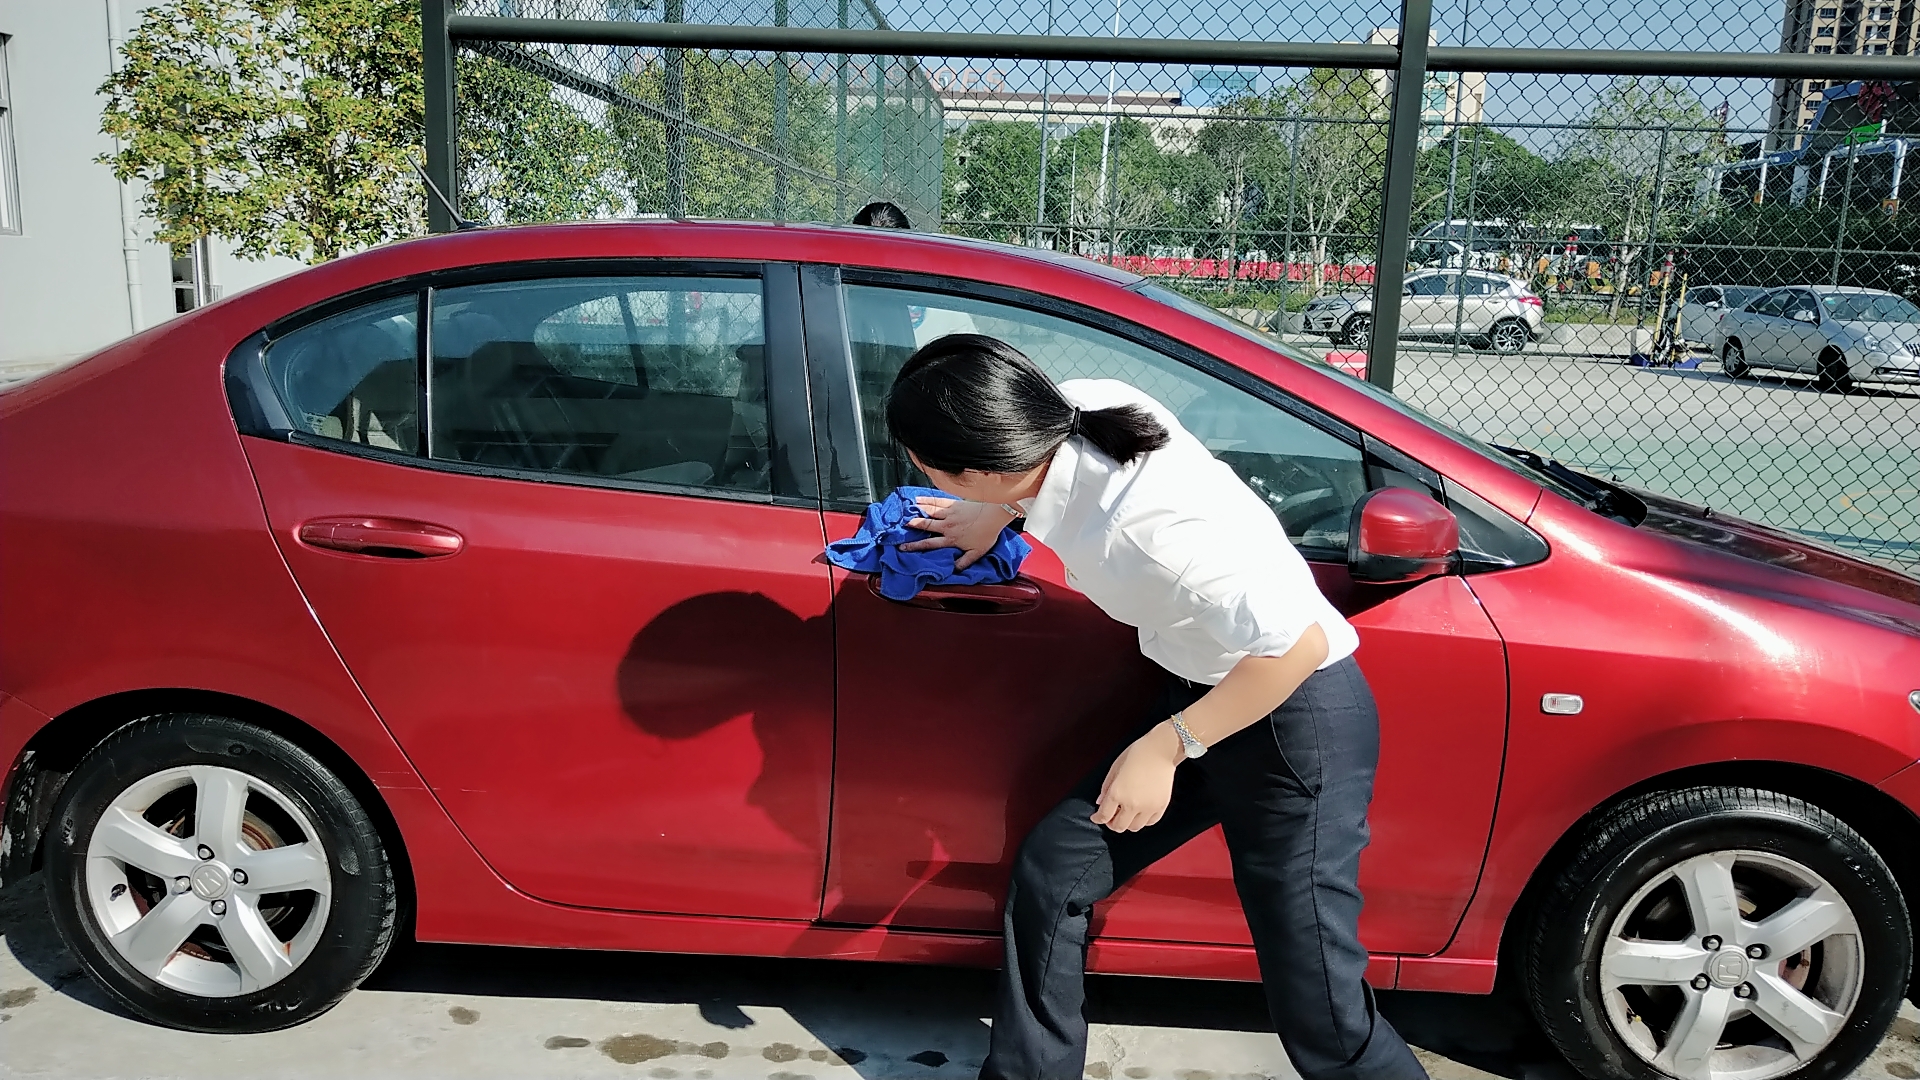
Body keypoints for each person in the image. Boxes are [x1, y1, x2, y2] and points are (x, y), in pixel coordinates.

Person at [884, 333, 1430, 1080]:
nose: (917, 471)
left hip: (1290, 725)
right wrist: (996, 513)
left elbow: (1294, 647)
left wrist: (1167, 747)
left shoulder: (1151, 533)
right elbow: (1032, 478)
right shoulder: (1085, 406)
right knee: (1055, 873)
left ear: (976, 467)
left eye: (922, 463)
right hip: (1203, 693)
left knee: (1321, 1011)